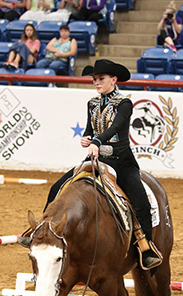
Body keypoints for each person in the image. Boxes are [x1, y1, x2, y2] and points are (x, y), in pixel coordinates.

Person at [44, 59, 162, 270]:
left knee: (141, 202)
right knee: (56, 188)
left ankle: (147, 248)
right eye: (94, 79)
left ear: (113, 80)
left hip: (122, 161)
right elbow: (91, 127)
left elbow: (116, 127)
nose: (96, 83)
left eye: (101, 79)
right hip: (96, 159)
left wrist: (97, 141)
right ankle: (43, 232)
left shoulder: (124, 103)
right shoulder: (92, 103)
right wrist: (87, 137)